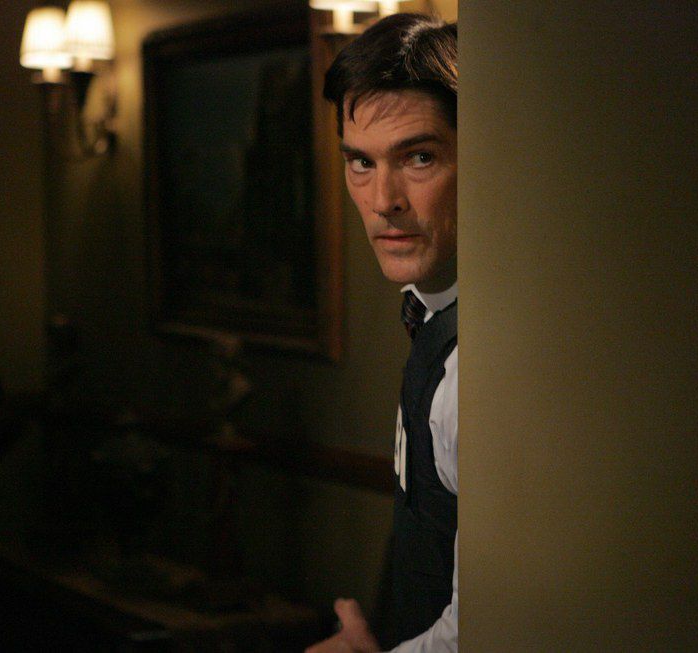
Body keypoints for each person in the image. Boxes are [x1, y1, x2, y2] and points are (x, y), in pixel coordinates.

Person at [306, 13, 458, 653]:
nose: (382, 199)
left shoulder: (482, 368)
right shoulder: (432, 318)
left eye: (419, 157)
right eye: (361, 163)